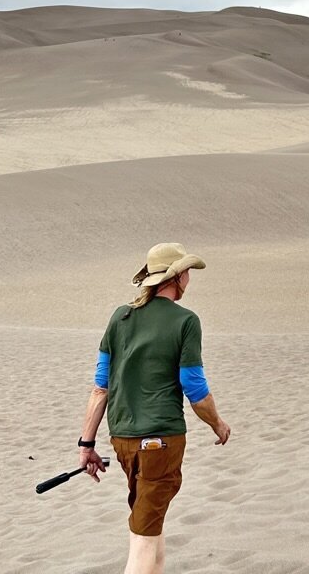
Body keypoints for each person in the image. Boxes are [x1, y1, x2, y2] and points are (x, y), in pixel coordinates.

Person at [77, 243, 232, 574]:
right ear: (176, 277)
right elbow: (194, 386)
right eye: (186, 271)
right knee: (143, 540)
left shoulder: (119, 317)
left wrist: (86, 444)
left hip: (123, 441)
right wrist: (218, 424)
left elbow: (100, 386)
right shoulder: (185, 321)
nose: (189, 278)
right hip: (161, 441)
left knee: (149, 526)